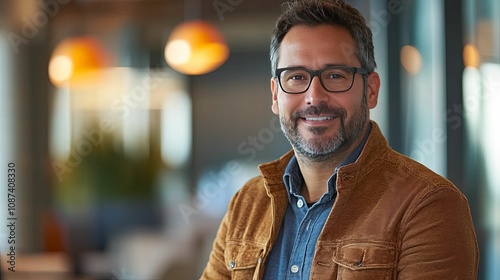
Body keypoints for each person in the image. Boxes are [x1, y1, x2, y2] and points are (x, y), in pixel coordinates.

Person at [201, 0, 479, 279]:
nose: (314, 97)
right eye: (296, 77)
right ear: (276, 95)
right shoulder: (247, 203)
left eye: (335, 75)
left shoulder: (428, 205)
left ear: (370, 90)